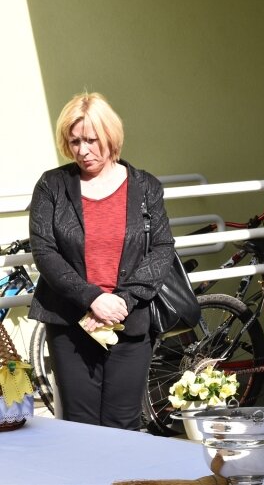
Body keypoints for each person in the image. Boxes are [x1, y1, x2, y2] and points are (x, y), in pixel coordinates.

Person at [29, 92, 175, 429]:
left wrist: (120, 301)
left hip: (130, 319)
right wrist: (92, 298)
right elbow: (45, 251)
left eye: (91, 141)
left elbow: (162, 247)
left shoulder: (145, 186)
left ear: (110, 137)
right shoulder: (52, 185)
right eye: (74, 141)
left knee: (123, 423)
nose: (83, 150)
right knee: (80, 425)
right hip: (71, 322)